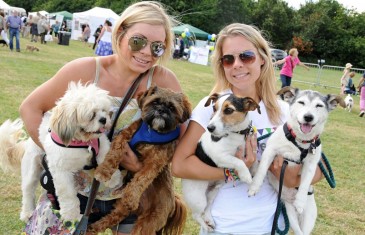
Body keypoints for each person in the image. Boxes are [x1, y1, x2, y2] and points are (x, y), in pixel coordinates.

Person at [20, 1, 181, 234]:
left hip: (131, 197)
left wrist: (140, 166)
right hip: (75, 194)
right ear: (120, 33)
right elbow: (30, 108)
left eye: (157, 47)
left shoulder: (165, 82)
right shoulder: (83, 70)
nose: (147, 52)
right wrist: (59, 155)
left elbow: (182, 141)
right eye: (138, 41)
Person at [172, 23, 324, 235]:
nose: (237, 64)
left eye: (246, 56)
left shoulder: (285, 111)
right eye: (228, 59)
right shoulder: (212, 108)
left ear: (262, 58)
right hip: (222, 226)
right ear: (221, 64)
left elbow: (318, 169)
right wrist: (234, 171)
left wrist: (289, 177)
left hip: (270, 226)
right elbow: (179, 166)